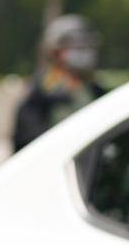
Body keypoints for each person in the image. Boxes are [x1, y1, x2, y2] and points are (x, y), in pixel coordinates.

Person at [11, 14, 108, 152]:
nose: (85, 52)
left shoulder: (96, 90)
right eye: (77, 47)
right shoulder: (40, 93)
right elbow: (28, 142)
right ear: (55, 52)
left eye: (88, 46)